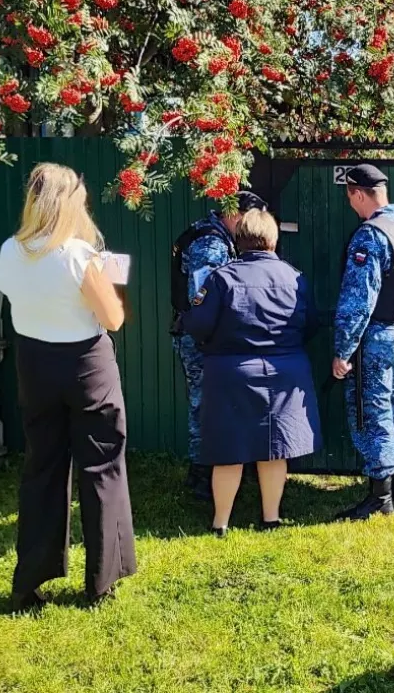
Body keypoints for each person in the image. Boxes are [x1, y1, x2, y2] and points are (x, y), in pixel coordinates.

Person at [0, 163, 137, 610]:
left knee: (42, 469)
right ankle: (101, 582)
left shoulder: (11, 251)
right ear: (71, 204)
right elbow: (113, 318)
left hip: (35, 364)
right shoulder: (78, 255)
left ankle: (28, 583)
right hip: (86, 364)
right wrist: (114, 280)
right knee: (102, 466)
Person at [181, 209, 322, 536]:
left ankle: (220, 523)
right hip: (285, 373)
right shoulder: (294, 277)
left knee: (228, 450)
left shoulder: (221, 278)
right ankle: (271, 518)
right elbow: (311, 323)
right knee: (275, 446)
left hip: (230, 373)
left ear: (238, 238)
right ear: (273, 239)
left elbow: (198, 324)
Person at [331, 164, 394, 521]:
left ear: (358, 194)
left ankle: (380, 496)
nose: (350, 204)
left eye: (350, 197)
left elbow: (359, 301)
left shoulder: (370, 236)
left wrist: (343, 351)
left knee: (373, 412)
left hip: (377, 338)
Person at [170, 191, 269, 501]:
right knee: (205, 404)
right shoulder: (211, 244)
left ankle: (207, 470)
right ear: (235, 214)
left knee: (209, 402)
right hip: (203, 339)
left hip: (206, 336)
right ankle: (203, 473)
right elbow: (204, 299)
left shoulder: (213, 235)